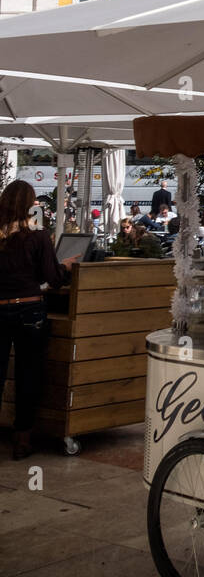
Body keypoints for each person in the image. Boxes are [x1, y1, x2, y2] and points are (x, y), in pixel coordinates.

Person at [0, 180, 78, 458]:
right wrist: (66, 266)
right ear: (29, 204)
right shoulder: (37, 233)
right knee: (28, 374)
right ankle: (22, 440)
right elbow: (53, 278)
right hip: (30, 310)